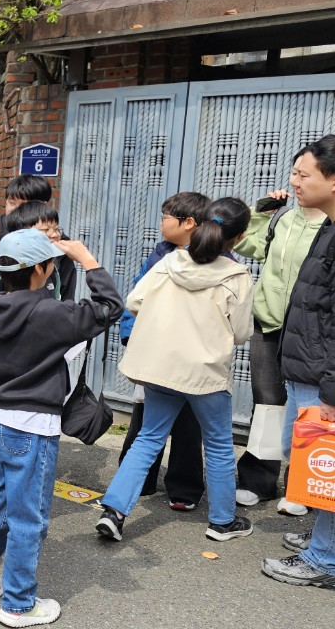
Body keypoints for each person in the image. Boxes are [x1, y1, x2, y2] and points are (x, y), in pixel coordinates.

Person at [0, 229, 121, 628]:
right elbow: (110, 307)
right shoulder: (53, 313)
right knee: (27, 518)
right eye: (50, 263)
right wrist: (88, 260)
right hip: (33, 427)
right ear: (40, 270)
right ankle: (18, 604)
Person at [98, 197, 255, 544]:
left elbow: (134, 301)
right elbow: (243, 332)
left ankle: (114, 512)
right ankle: (222, 522)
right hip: (205, 375)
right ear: (240, 237)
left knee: (148, 439)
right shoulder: (237, 275)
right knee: (218, 445)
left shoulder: (170, 262)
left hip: (161, 368)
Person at [263, 135, 335, 592]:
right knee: (321, 464)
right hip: (315, 370)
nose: (293, 182)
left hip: (332, 379)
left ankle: (330, 561)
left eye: (302, 174)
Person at [115, 192, 210, 512]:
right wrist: (130, 336)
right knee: (144, 421)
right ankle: (137, 482)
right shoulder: (160, 254)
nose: (160, 223)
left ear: (188, 223)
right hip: (154, 354)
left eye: (165, 217)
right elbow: (135, 298)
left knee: (188, 424)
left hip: (192, 359)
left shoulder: (214, 258)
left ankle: (184, 488)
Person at [231, 190, 325, 510]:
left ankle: (302, 488)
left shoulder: (334, 227)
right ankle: (258, 482)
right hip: (269, 323)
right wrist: (262, 212)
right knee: (268, 405)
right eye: (295, 174)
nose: (297, 183)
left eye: (305, 175)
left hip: (310, 331)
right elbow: (244, 243)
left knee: (309, 409)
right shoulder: (282, 219)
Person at [0, 202, 75, 301]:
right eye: (45, 230)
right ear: (20, 234)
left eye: (56, 229)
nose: (55, 234)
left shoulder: (50, 269)